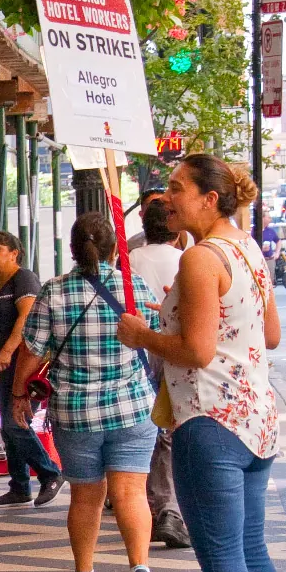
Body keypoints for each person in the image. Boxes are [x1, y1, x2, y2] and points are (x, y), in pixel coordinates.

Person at [119, 154, 283, 572]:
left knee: (222, 558)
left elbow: (196, 349)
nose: (166, 198)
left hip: (208, 420)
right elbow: (269, 333)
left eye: (176, 188)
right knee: (251, 550)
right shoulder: (247, 249)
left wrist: (143, 335)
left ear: (210, 199)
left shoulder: (200, 257)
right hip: (257, 421)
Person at [11, 213, 161, 572]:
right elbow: (155, 336)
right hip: (131, 407)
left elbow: (32, 351)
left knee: (85, 496)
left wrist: (18, 395)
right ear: (114, 248)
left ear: (73, 250)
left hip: (75, 413)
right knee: (131, 494)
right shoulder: (132, 286)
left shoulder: (54, 291)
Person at [0, 231, 64, 508]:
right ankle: (19, 485)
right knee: (8, 423)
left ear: (15, 253)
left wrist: (6, 352)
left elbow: (27, 319)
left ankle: (50, 473)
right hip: (3, 365)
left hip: (25, 364)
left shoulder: (23, 279)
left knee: (16, 424)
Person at [126, 198, 192, 549]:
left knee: (149, 424)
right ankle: (169, 507)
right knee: (170, 426)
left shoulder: (131, 260)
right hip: (174, 348)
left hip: (138, 348)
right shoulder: (186, 259)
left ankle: (155, 504)